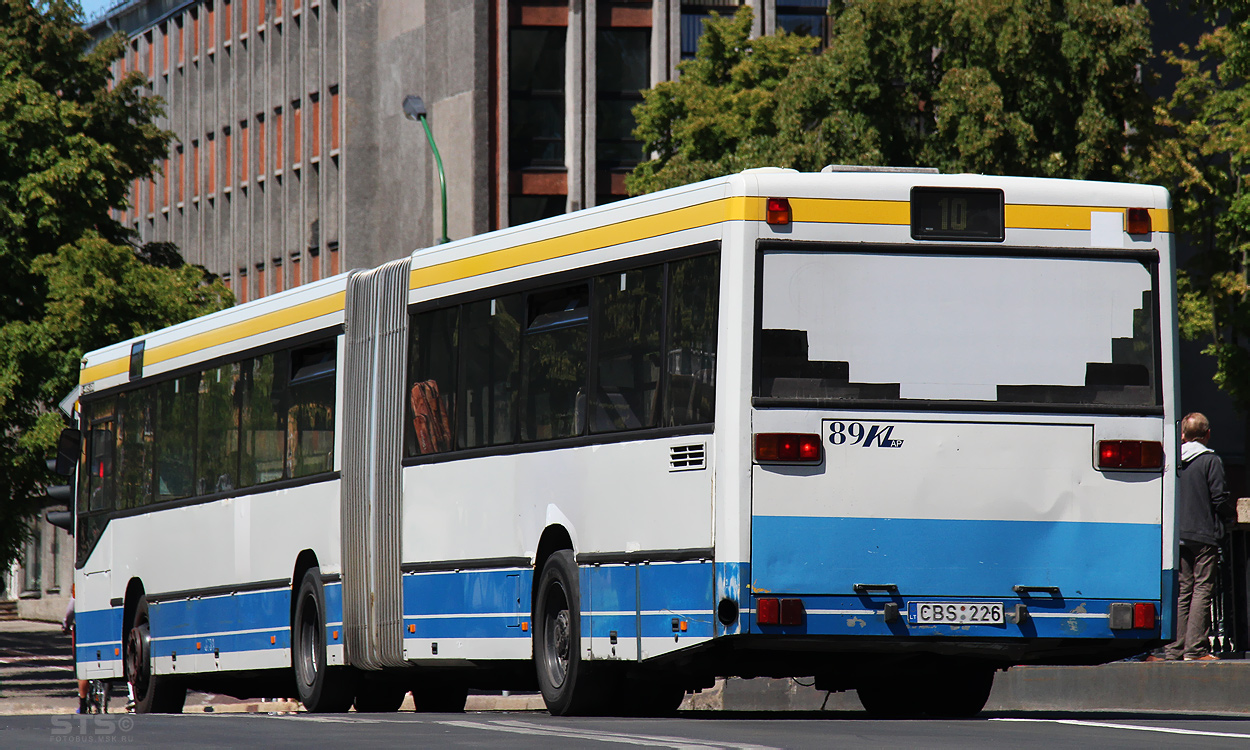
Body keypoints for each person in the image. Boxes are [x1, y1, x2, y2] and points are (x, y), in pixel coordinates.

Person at [1163, 412, 1232, 661]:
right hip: (1204, 535)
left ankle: (1174, 648)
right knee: (1203, 589)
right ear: (1207, 434)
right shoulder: (1210, 460)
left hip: (1178, 534)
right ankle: (1196, 649)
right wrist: (1228, 518)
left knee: (1183, 591)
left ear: (1182, 434)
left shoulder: (1173, 460)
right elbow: (1219, 497)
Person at [62, 585, 90, 713]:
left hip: (84, 630)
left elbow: (70, 610)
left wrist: (66, 625)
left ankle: (83, 703)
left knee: (82, 667)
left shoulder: (80, 585)